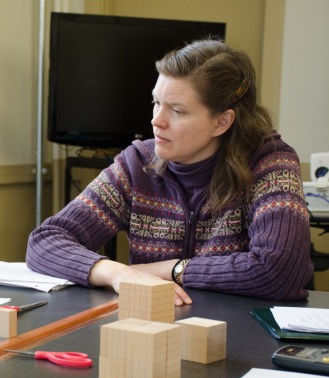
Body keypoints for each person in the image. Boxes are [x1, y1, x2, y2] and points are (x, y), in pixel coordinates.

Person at [27, 39, 313, 305]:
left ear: (222, 122)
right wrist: (118, 274)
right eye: (156, 103)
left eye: (177, 111)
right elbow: (45, 241)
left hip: (239, 341)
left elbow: (280, 271)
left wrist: (168, 269)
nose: (156, 121)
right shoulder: (137, 163)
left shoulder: (271, 163)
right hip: (154, 331)